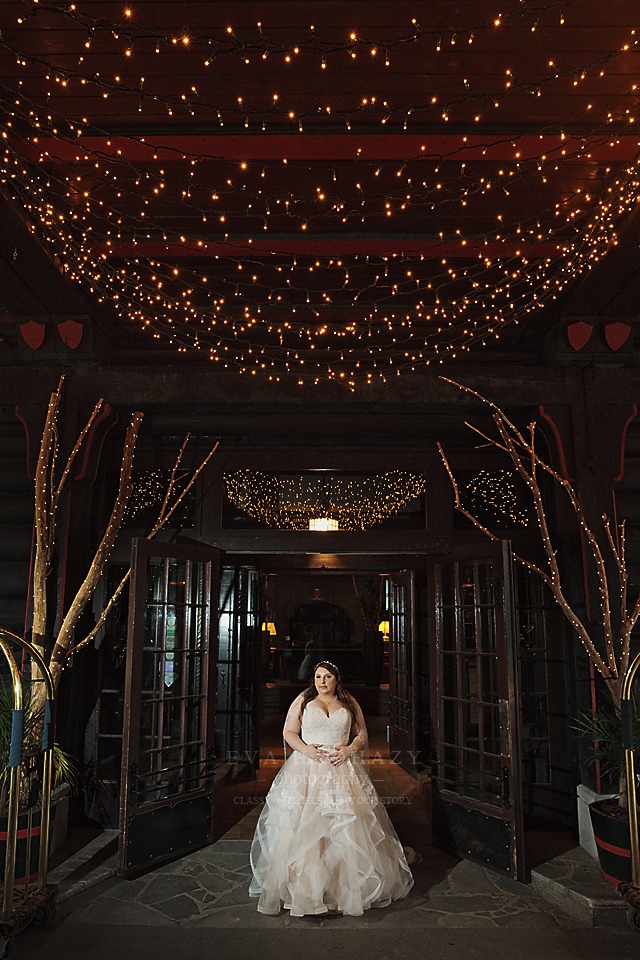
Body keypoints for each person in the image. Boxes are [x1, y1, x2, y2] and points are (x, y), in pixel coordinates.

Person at [249, 660, 414, 917]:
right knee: (305, 825)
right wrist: (306, 749)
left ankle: (341, 887)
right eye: (318, 677)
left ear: (337, 679)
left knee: (343, 827)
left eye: (327, 677)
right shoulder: (304, 700)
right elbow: (289, 731)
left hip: (341, 769)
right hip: (308, 769)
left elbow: (362, 735)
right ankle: (306, 888)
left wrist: (349, 749)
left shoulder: (349, 702)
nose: (322, 682)